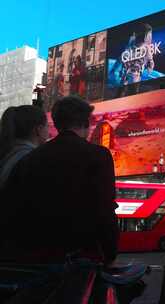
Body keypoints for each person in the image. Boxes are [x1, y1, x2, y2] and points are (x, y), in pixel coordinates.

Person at [0, 96, 119, 265]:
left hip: (37, 254)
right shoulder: (98, 155)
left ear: (56, 123)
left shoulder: (32, 157)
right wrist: (110, 253)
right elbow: (105, 208)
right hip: (81, 254)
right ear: (86, 123)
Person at [0, 105, 48, 190]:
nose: (48, 130)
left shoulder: (9, 151)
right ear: (39, 129)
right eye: (47, 126)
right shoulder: (31, 158)